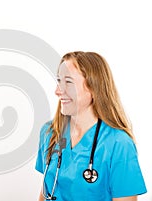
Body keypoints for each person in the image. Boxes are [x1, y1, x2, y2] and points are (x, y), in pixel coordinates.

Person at [35, 51, 147, 201]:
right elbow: (47, 190)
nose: (58, 91)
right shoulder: (49, 133)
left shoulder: (118, 143)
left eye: (68, 82)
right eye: (59, 81)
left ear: (94, 88)